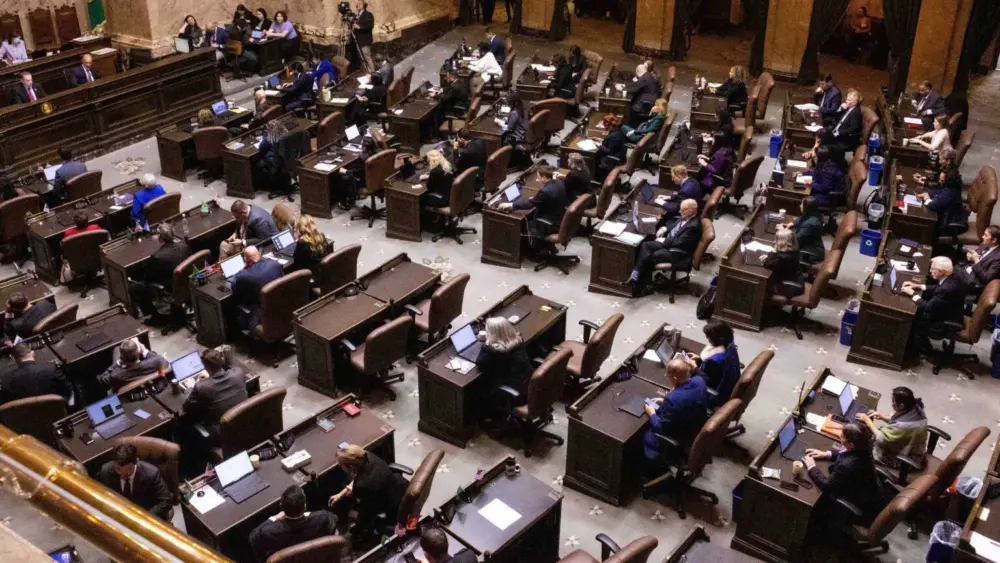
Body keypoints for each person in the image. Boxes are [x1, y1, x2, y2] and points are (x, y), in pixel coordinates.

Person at [804, 423, 885, 526]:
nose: (839, 436)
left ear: (851, 445)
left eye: (842, 436)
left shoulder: (847, 466)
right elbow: (848, 454)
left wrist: (812, 467)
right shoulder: (865, 450)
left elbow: (826, 485)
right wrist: (827, 454)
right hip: (872, 494)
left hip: (859, 505)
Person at [327, 444, 409, 541]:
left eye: (340, 465)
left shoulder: (362, 486)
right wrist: (341, 493)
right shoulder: (368, 456)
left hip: (391, 506)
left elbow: (367, 513)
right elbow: (362, 477)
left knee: (351, 513)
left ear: (350, 466)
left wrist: (357, 526)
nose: (339, 466)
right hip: (401, 487)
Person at [642, 358, 709, 466]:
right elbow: (688, 400)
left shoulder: (673, 399)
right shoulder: (699, 380)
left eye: (667, 376)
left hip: (680, 437)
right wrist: (665, 401)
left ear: (674, 378)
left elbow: (660, 427)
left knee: (644, 435)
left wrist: (652, 413)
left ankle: (650, 468)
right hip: (695, 427)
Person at [249, 485, 338, 561]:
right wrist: (310, 514)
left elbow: (253, 537)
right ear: (305, 506)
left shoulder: (268, 532)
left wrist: (274, 517)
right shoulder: (322, 518)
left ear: (281, 506)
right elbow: (334, 520)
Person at [629, 199, 702, 289]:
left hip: (678, 253)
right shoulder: (686, 217)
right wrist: (665, 227)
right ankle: (637, 275)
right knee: (645, 245)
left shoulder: (693, 227)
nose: (679, 211)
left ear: (690, 211)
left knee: (651, 254)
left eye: (682, 210)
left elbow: (679, 243)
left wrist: (664, 241)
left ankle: (642, 283)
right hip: (670, 242)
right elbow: (675, 224)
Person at [903, 256, 967, 354]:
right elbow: (938, 288)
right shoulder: (951, 275)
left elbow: (928, 307)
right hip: (950, 309)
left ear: (941, 272)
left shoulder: (946, 289)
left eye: (933, 269)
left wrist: (912, 294)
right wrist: (918, 286)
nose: (930, 271)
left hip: (945, 318)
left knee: (912, 315)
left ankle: (919, 349)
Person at [129, 224, 191, 323]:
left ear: (160, 237)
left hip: (170, 289)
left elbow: (147, 279)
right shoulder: (184, 246)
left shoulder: (157, 257)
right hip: (187, 283)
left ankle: (155, 316)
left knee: (134, 288)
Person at [855, 387, 928, 469]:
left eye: (893, 401)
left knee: (864, 442)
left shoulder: (903, 426)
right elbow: (902, 421)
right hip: (914, 449)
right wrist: (883, 417)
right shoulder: (916, 409)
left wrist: (868, 421)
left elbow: (882, 439)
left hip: (905, 460)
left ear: (901, 406)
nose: (891, 403)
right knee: (875, 431)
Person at [182, 349, 248, 438]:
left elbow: (186, 408)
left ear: (205, 367)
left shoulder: (201, 387)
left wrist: (190, 387)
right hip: (247, 421)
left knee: (187, 424)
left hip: (224, 433)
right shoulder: (238, 372)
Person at [97, 444, 174, 520]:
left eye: (128, 471)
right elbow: (103, 495)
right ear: (114, 462)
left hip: (144, 515)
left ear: (136, 461)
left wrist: (143, 518)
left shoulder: (151, 474)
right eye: (118, 469)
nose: (123, 475)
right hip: (119, 514)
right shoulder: (105, 471)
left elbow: (166, 501)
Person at [497, 165, 568, 241]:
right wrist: (536, 199)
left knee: (522, 223)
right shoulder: (559, 182)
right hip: (559, 217)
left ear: (544, 177)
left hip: (549, 224)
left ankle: (530, 247)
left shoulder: (545, 192)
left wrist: (511, 204)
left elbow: (529, 205)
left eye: (538, 177)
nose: (537, 180)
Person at [476, 317, 532, 410]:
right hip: (529, 385)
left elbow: (480, 363)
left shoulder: (492, 350)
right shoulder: (518, 339)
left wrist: (486, 343)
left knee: (477, 387)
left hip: (515, 393)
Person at [916, 148, 967, 236]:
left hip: (947, 224)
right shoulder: (949, 184)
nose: (940, 177)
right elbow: (938, 191)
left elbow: (934, 205)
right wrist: (927, 193)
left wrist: (927, 198)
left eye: (942, 177)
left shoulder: (950, 191)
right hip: (947, 213)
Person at [0, 342, 72, 405]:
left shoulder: (6, 380)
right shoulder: (51, 368)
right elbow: (68, 390)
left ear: (14, 358)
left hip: (26, 418)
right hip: (57, 412)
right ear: (33, 353)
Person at [688, 320, 740, 407]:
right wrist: (700, 359)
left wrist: (695, 369)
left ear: (719, 339)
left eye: (709, 337)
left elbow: (707, 381)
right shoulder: (729, 344)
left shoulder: (715, 360)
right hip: (726, 383)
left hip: (716, 395)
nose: (708, 339)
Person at [230, 246, 284, 330]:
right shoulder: (275, 264)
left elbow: (235, 291)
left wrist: (243, 270)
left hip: (260, 313)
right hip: (281, 304)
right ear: (259, 254)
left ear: (246, 260)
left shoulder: (244, 276)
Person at [98, 338, 169, 392]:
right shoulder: (158, 362)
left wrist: (118, 363)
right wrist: (145, 351)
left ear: (122, 358)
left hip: (131, 395)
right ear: (138, 351)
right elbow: (162, 361)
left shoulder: (115, 376)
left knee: (116, 349)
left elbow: (103, 381)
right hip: (151, 389)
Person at [786, 196, 825, 264]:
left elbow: (796, 240)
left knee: (782, 250)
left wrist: (783, 233)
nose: (800, 206)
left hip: (810, 252)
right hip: (808, 244)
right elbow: (801, 218)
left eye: (802, 204)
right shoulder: (813, 214)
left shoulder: (810, 224)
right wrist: (792, 223)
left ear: (806, 208)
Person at [960, 225, 1000, 289]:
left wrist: (976, 260)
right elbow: (972, 256)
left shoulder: (998, 258)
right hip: (965, 270)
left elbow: (986, 279)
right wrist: (969, 256)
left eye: (986, 235)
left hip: (973, 280)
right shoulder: (984, 244)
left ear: (994, 240)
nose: (982, 237)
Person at [807, 144, 847, 209]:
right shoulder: (825, 163)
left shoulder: (828, 171)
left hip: (827, 197)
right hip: (823, 192)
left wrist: (812, 183)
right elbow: (817, 173)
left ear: (820, 158)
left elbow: (824, 188)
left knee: (806, 200)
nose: (814, 157)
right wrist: (805, 173)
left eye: (816, 156)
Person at [291, 215, 329, 281]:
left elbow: (296, 262)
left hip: (312, 278)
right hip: (323, 273)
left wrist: (298, 239)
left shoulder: (302, 243)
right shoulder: (321, 236)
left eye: (296, 228)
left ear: (300, 229)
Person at [595, 114, 626, 182]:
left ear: (610, 125)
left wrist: (599, 145)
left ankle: (597, 179)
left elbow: (609, 151)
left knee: (593, 157)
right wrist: (601, 141)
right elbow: (610, 143)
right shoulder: (618, 131)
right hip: (619, 154)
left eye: (605, 125)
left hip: (610, 158)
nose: (604, 127)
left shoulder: (613, 136)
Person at [353, 0, 375, 71]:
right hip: (358, 42)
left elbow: (370, 26)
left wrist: (359, 27)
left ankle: (373, 75)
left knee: (367, 59)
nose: (357, 5)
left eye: (359, 4)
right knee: (362, 59)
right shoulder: (357, 15)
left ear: (364, 5)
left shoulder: (368, 14)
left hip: (365, 41)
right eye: (357, 4)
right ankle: (367, 74)